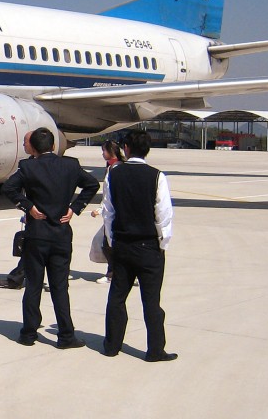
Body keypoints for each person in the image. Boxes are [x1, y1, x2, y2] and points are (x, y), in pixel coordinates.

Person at [1, 127, 99, 348]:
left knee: (33, 286)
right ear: (54, 146)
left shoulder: (28, 167)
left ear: (33, 148)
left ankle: (28, 333)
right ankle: (65, 335)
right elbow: (92, 184)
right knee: (59, 287)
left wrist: (28, 207)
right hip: (60, 234)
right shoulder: (70, 165)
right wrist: (75, 207)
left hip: (37, 234)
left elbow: (9, 188)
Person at [101, 130, 176, 362]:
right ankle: (155, 350)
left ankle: (112, 345)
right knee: (151, 301)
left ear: (126, 148)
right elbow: (163, 214)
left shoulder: (114, 174)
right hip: (148, 247)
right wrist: (161, 244)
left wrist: (114, 242)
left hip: (123, 245)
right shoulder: (157, 176)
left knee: (117, 297)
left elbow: (108, 212)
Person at [0, 132, 34, 290]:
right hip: (34, 214)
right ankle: (17, 278)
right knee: (30, 249)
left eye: (25, 142)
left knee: (32, 250)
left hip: (45, 217)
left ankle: (17, 278)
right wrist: (25, 206)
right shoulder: (27, 163)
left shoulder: (28, 166)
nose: (23, 145)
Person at [90, 139, 126, 283]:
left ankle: (113, 274)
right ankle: (116, 272)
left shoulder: (117, 168)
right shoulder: (111, 167)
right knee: (106, 244)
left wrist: (100, 209)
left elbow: (111, 194)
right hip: (110, 211)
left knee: (108, 245)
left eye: (104, 150)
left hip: (113, 212)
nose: (102, 154)